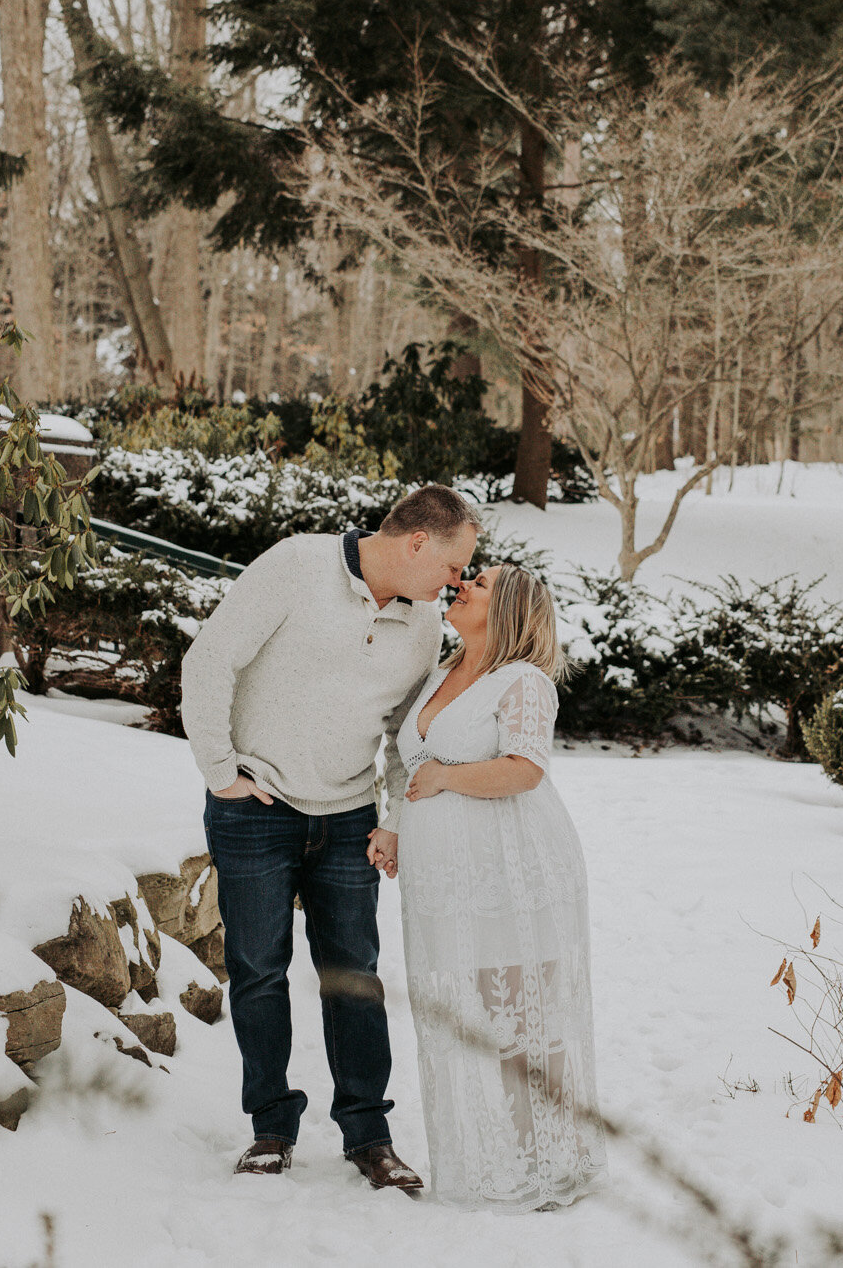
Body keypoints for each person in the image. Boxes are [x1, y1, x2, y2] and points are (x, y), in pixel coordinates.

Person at [177, 484, 480, 1191]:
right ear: (417, 543)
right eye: (455, 562)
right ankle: (270, 1127)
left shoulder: (427, 620)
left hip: (347, 817)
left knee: (356, 980)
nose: (458, 579)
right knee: (258, 971)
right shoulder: (295, 565)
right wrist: (221, 771)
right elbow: (209, 661)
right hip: (255, 806)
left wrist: (393, 819)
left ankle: (369, 1136)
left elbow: (408, 736)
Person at [366, 564, 604, 1211]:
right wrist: (394, 825)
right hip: (448, 876)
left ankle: (551, 1163)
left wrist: (446, 780)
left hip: (513, 865)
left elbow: (524, 768)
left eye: (482, 583)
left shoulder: (522, 680)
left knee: (526, 1012)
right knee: (479, 1009)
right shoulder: (442, 671)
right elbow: (410, 760)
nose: (464, 583)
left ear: (511, 611)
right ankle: (504, 1153)